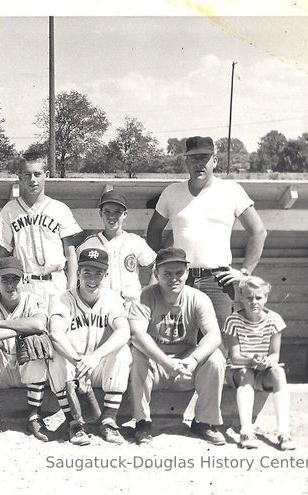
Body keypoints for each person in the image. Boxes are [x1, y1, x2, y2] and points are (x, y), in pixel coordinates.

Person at [146, 136, 267, 330]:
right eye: (193, 158)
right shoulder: (172, 192)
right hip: (181, 279)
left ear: (215, 161)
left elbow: (258, 231)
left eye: (204, 158)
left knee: (218, 347)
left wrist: (245, 273)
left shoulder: (231, 191)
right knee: (179, 342)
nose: (199, 163)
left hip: (218, 282)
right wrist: (163, 267)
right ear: (186, 161)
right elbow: (154, 230)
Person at [128, 247, 226, 446]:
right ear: (156, 274)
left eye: (179, 273)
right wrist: (165, 363)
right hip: (155, 365)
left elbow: (214, 335)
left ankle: (203, 422)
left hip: (185, 366)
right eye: (167, 273)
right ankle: (142, 423)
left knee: (216, 358)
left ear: (187, 273)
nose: (174, 278)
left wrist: (192, 360)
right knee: (136, 354)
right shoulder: (144, 297)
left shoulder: (198, 298)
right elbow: (137, 335)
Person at [48, 248, 132, 446]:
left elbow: (123, 331)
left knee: (122, 351)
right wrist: (77, 362)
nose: (92, 279)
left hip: (99, 366)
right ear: (78, 273)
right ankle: (74, 423)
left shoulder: (111, 298)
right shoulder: (63, 299)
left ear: (106, 274)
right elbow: (55, 332)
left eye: (98, 273)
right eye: (87, 272)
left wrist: (94, 358)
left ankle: (109, 420)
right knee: (54, 353)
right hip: (73, 366)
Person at [0, 257, 51, 441]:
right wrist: (17, 331)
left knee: (36, 340)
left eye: (15, 279)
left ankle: (34, 416)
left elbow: (39, 324)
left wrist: (1, 324)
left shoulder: (33, 300)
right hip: (0, 371)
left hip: (26, 369)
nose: (10, 285)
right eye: (4, 279)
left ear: (23, 280)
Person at [223, 276, 295, 450]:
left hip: (261, 372)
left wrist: (266, 362)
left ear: (266, 298)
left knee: (278, 372)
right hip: (238, 372)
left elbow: (274, 355)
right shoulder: (233, 320)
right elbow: (234, 357)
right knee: (246, 373)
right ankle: (246, 431)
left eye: (258, 297)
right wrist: (252, 361)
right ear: (241, 298)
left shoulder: (274, 320)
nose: (254, 302)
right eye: (249, 297)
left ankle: (284, 432)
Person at [0, 156, 81, 304]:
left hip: (56, 283)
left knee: (58, 326)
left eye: (37, 174)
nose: (32, 179)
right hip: (25, 284)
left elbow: (70, 254)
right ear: (20, 177)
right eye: (27, 174)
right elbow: (4, 254)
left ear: (46, 175)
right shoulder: (9, 210)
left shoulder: (60, 209)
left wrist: (72, 288)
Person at [76, 190, 155, 306]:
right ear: (100, 214)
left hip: (131, 304)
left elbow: (157, 267)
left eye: (117, 212)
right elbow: (75, 272)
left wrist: (148, 295)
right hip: (101, 305)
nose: (111, 216)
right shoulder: (89, 244)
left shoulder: (135, 241)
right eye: (107, 212)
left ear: (125, 214)